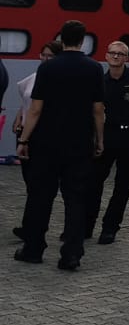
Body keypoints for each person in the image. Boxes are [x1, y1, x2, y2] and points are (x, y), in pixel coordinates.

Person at [14, 21, 104, 272]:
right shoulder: (94, 68)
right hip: (79, 143)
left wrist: (24, 140)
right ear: (83, 40)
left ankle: (33, 249)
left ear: (61, 39)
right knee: (75, 199)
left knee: (40, 196)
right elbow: (98, 110)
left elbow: (36, 109)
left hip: (46, 143)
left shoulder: (49, 68)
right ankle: (71, 255)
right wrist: (99, 140)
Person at [85, 40, 129, 245]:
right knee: (93, 183)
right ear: (106, 57)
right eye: (112, 53)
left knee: (122, 187)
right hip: (108, 136)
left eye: (120, 54)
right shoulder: (100, 81)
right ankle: (86, 226)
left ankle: (110, 228)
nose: (116, 57)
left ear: (126, 58)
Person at [10, 39, 62, 240]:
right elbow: (27, 102)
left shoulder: (56, 81)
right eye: (44, 55)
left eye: (51, 56)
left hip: (39, 136)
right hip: (24, 133)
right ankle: (29, 225)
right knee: (31, 184)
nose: (46, 59)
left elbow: (39, 109)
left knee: (39, 185)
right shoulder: (34, 77)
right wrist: (18, 118)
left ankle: (34, 227)